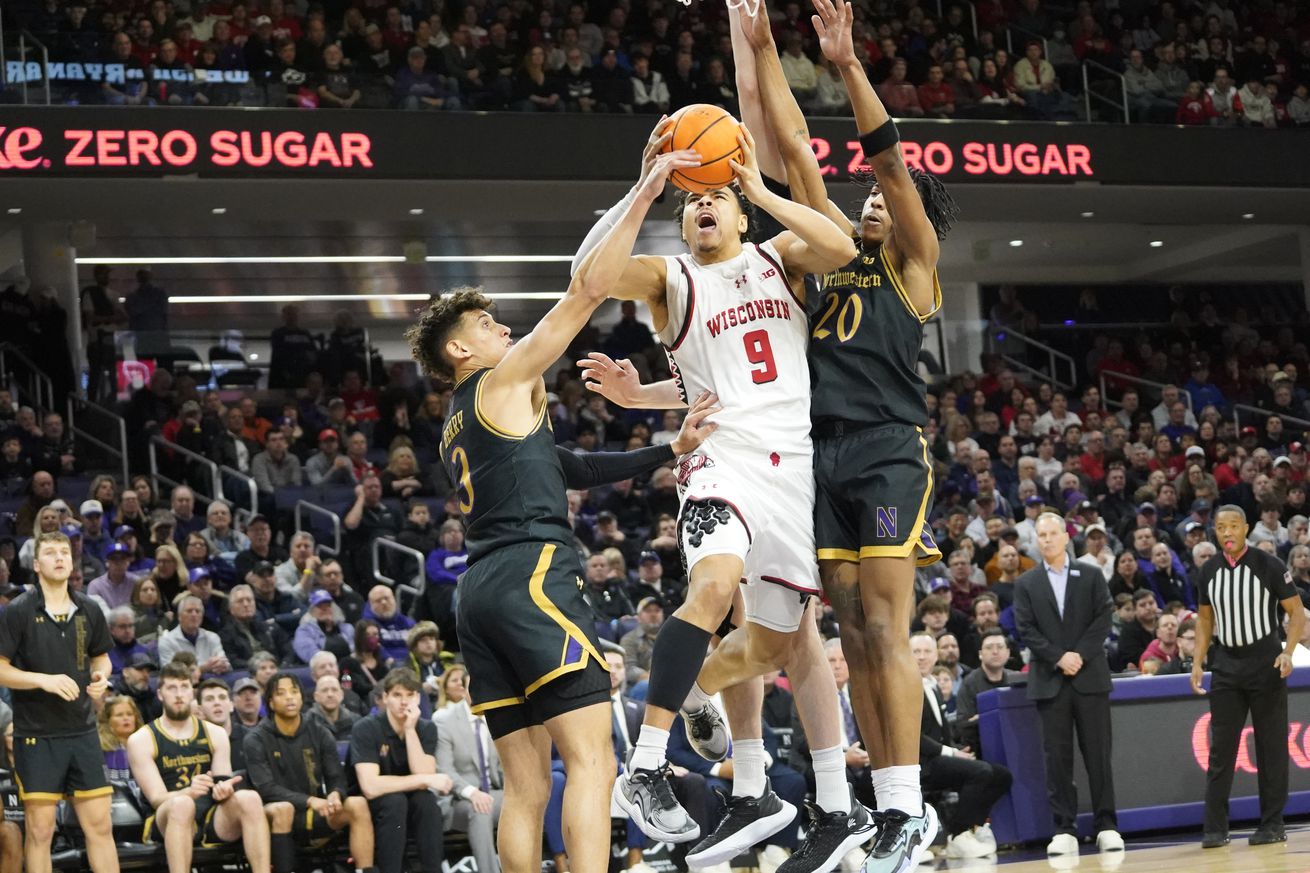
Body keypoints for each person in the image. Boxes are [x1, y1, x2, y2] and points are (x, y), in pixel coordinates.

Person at [574, 40, 865, 863]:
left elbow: (843, 247)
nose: (701, 211)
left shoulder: (781, 255)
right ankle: (648, 765)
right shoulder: (671, 279)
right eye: (691, 205)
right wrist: (647, 187)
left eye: (714, 201)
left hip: (791, 470)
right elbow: (588, 276)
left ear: (738, 212)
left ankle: (697, 690)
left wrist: (755, 183)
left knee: (773, 644)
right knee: (713, 583)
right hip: (719, 463)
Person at [406, 139, 723, 872]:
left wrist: (665, 451)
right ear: (460, 351)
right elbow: (584, 293)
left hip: (478, 593)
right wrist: (644, 193)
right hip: (532, 573)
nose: (505, 330)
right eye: (487, 326)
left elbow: (569, 464)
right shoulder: (502, 380)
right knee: (592, 759)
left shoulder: (461, 416)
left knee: (524, 783)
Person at [0, 530, 119, 873]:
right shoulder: (18, 610)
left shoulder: (90, 607)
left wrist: (101, 677)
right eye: (51, 553)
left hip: (82, 731)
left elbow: (101, 657)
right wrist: (43, 680)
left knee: (100, 826)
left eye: (64, 552)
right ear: (36, 564)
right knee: (40, 830)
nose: (60, 558)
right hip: (37, 735)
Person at [1190, 504, 1305, 848]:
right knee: (1221, 750)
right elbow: (1205, 621)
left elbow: (1297, 613)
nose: (1227, 532)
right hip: (1226, 665)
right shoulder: (1208, 570)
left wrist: (1288, 650)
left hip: (1265, 663)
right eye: (1221, 527)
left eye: (1234, 526)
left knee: (1271, 748)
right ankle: (1214, 828)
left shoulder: (1267, 564)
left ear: (1247, 528)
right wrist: (1197, 661)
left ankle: (1272, 824)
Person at [1014, 513, 1122, 856]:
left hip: (1090, 677)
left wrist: (1080, 655)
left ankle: (1107, 825)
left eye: (1052, 533)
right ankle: (1064, 828)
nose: (1046, 539)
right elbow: (1026, 629)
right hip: (1050, 680)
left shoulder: (1090, 575)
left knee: (1098, 755)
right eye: (1040, 535)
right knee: (1057, 759)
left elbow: (1104, 616)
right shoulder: (1026, 583)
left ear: (1065, 537)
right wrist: (1059, 657)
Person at [125, 661, 272, 873]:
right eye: (171, 688)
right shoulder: (142, 739)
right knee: (182, 804)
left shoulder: (215, 733)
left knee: (250, 798)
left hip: (211, 815)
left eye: (184, 687)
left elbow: (221, 779)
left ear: (192, 693)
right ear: (160, 694)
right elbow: (157, 798)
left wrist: (223, 789)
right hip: (166, 817)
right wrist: (189, 792)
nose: (178, 694)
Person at [246, 672, 377, 873]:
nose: (290, 697)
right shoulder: (256, 738)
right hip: (272, 815)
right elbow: (266, 788)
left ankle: (364, 870)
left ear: (301, 697)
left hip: (315, 812)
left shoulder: (319, 730)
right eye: (281, 693)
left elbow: (336, 776)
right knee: (283, 809)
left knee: (356, 804)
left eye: (294, 691)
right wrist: (309, 801)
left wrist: (335, 793)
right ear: (271, 703)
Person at [911, 632, 1011, 859]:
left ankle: (974, 827)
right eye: (916, 652)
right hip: (919, 762)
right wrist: (950, 752)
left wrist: (957, 749)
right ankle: (958, 834)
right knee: (981, 772)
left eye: (927, 651)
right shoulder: (905, 686)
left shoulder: (933, 685)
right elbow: (912, 736)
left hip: (939, 757)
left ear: (936, 656)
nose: (922, 657)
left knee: (1002, 775)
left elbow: (941, 731)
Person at [350, 669, 448, 873]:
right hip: (370, 804)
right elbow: (370, 787)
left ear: (418, 698)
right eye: (397, 695)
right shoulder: (365, 728)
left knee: (427, 803)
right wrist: (423, 779)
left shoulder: (426, 728)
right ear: (385, 698)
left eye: (410, 695)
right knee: (395, 801)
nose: (404, 702)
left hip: (408, 800)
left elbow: (425, 775)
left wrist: (410, 730)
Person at [434, 669, 504, 873]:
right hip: (460, 799)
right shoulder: (444, 721)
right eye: (474, 686)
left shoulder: (498, 717)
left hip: (496, 793)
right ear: (464, 690)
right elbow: (445, 769)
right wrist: (473, 793)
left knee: (526, 804)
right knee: (480, 809)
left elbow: (506, 766)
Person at [98, 695, 144, 782]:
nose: (126, 718)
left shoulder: (146, 745)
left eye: (129, 714)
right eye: (119, 715)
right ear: (108, 721)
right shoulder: (100, 750)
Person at [309, 673, 358, 741]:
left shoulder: (356, 721)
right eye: (324, 690)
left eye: (334, 690)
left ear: (341, 695)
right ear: (316, 697)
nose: (330, 694)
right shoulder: (306, 724)